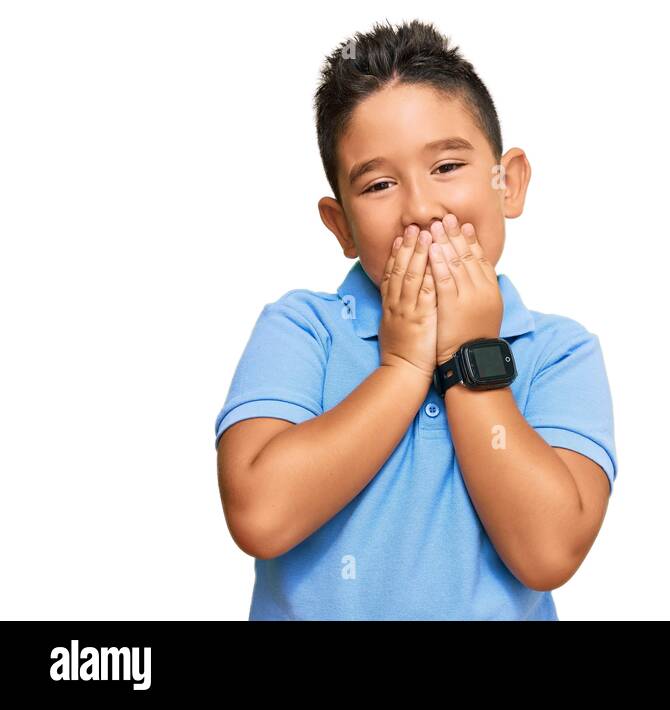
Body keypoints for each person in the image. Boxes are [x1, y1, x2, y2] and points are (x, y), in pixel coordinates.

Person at [213, 19, 618, 620]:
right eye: (379, 184)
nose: (422, 209)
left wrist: (472, 353)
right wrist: (402, 369)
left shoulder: (559, 352)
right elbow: (261, 516)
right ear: (342, 225)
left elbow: (547, 550)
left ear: (508, 183)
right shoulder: (302, 330)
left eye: (447, 167)